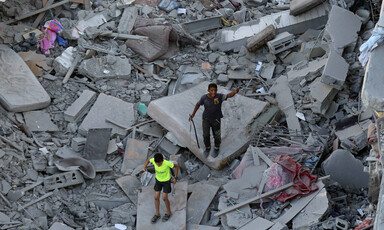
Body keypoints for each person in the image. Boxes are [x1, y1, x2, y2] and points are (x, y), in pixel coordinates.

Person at [189, 83, 239, 158]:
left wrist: (235, 92)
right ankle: (207, 148)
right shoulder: (204, 98)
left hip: (216, 119)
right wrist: (193, 115)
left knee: (217, 135)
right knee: (206, 135)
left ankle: (216, 148)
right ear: (208, 90)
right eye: (212, 90)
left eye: (215, 90)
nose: (213, 92)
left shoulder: (219, 96)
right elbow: (198, 104)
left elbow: (229, 95)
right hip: (206, 119)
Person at [140, 153, 179, 223]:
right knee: (156, 197)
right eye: (156, 163)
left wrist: (175, 177)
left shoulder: (167, 163)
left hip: (166, 181)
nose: (158, 164)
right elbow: (148, 160)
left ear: (162, 161)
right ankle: (157, 214)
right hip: (158, 181)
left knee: (164, 198)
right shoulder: (154, 161)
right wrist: (144, 167)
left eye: (159, 163)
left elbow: (176, 166)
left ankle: (168, 212)